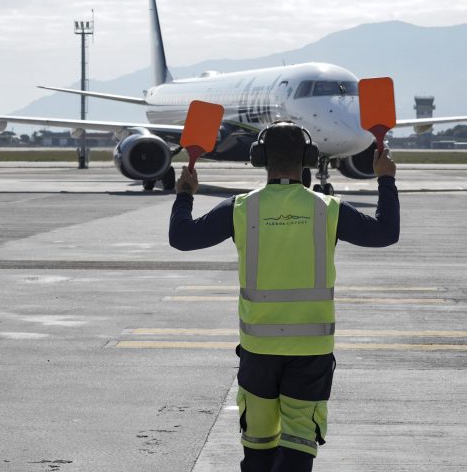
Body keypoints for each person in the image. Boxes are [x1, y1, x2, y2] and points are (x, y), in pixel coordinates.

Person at [169, 121, 399, 472]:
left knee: (258, 449)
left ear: (259, 158)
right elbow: (385, 233)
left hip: (259, 350)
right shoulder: (328, 208)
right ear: (309, 158)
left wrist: (185, 194)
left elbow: (182, 238)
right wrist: (385, 178)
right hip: (311, 352)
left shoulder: (241, 208)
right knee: (298, 448)